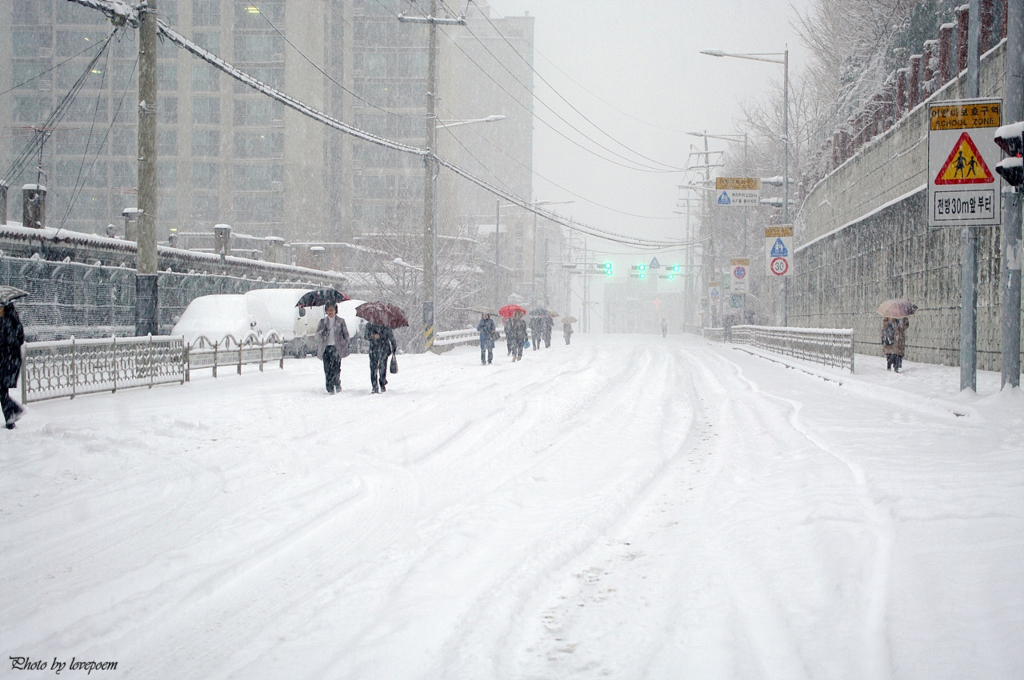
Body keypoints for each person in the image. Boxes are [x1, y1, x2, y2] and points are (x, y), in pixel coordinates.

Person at [0, 301, 26, 429]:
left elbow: (16, 339)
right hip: (9, 360)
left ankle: (14, 410)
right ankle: (10, 418)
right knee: (2, 390)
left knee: (1, 389)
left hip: (8, 360)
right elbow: (20, 338)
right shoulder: (12, 320)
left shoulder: (7, 321)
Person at [315, 302, 349, 394]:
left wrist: (343, 343)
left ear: (335, 311)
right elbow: (317, 335)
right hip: (326, 348)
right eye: (328, 310)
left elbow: (346, 335)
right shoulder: (322, 322)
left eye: (332, 310)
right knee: (327, 368)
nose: (330, 312)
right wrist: (323, 332)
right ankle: (329, 387)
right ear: (326, 311)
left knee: (336, 368)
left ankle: (337, 383)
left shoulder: (341, 321)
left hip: (336, 348)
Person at [364, 321, 397, 393]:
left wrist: (394, 346)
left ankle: (382, 382)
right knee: (373, 368)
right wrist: (373, 336)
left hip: (383, 349)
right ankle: (374, 386)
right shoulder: (370, 324)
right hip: (374, 349)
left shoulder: (386, 325)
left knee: (382, 367)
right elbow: (366, 336)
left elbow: (391, 336)